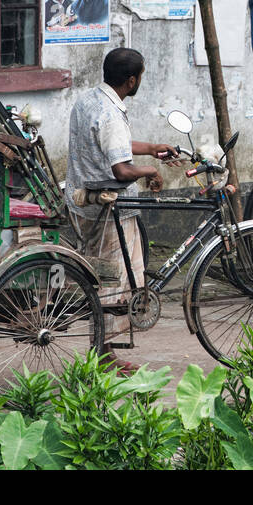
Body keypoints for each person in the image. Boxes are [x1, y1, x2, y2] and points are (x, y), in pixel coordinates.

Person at [65, 48, 178, 366]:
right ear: (131, 81)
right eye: (140, 75)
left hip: (82, 202)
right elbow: (121, 171)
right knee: (115, 280)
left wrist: (152, 148)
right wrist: (151, 171)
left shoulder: (89, 100)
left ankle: (100, 348)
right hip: (109, 208)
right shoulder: (112, 114)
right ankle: (104, 353)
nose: (140, 79)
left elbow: (110, 143)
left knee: (98, 276)